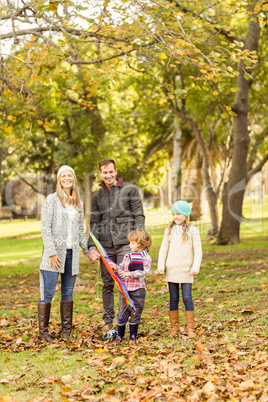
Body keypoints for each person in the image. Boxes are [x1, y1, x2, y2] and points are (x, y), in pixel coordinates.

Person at [88, 159, 145, 332]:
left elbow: (139, 215)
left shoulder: (130, 190)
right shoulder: (97, 196)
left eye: (111, 172)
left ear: (115, 171)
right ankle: (108, 321)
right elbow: (94, 223)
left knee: (125, 281)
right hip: (105, 247)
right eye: (105, 172)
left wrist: (139, 240)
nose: (108, 175)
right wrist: (92, 247)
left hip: (126, 244)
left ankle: (123, 320)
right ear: (100, 174)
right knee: (107, 284)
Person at [38, 165, 90, 342]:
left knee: (67, 292)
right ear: (59, 179)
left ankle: (66, 332)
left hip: (71, 255)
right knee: (47, 293)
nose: (67, 178)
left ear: (74, 179)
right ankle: (43, 333)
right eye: (63, 176)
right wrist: (51, 253)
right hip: (54, 255)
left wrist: (88, 249)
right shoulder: (52, 200)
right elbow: (45, 228)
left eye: (70, 175)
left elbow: (79, 232)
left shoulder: (78, 203)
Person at [157, 200, 202, 339]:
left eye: (179, 214)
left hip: (187, 270)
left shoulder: (193, 230)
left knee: (187, 298)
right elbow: (163, 249)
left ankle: (190, 329)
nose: (175, 217)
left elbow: (198, 251)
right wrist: (161, 265)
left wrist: (195, 267)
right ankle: (174, 329)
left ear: (186, 214)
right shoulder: (169, 230)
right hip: (172, 270)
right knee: (173, 298)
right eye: (173, 214)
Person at [109, 229, 152, 343]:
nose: (129, 245)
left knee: (135, 311)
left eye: (133, 243)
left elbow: (142, 272)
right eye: (130, 242)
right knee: (123, 311)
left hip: (137, 290)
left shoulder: (146, 258)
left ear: (141, 244)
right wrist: (116, 267)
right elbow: (122, 267)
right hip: (125, 290)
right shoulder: (128, 255)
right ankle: (120, 336)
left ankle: (133, 336)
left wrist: (129, 274)